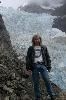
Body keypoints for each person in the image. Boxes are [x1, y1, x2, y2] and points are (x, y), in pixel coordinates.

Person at [26, 34, 55, 100]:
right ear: (33, 40)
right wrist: (28, 68)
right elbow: (27, 59)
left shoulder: (44, 47)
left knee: (47, 80)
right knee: (36, 82)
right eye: (35, 39)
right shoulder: (30, 48)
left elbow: (48, 57)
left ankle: (51, 95)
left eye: (38, 39)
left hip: (43, 65)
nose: (37, 40)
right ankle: (37, 97)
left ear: (40, 39)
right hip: (34, 66)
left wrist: (49, 67)